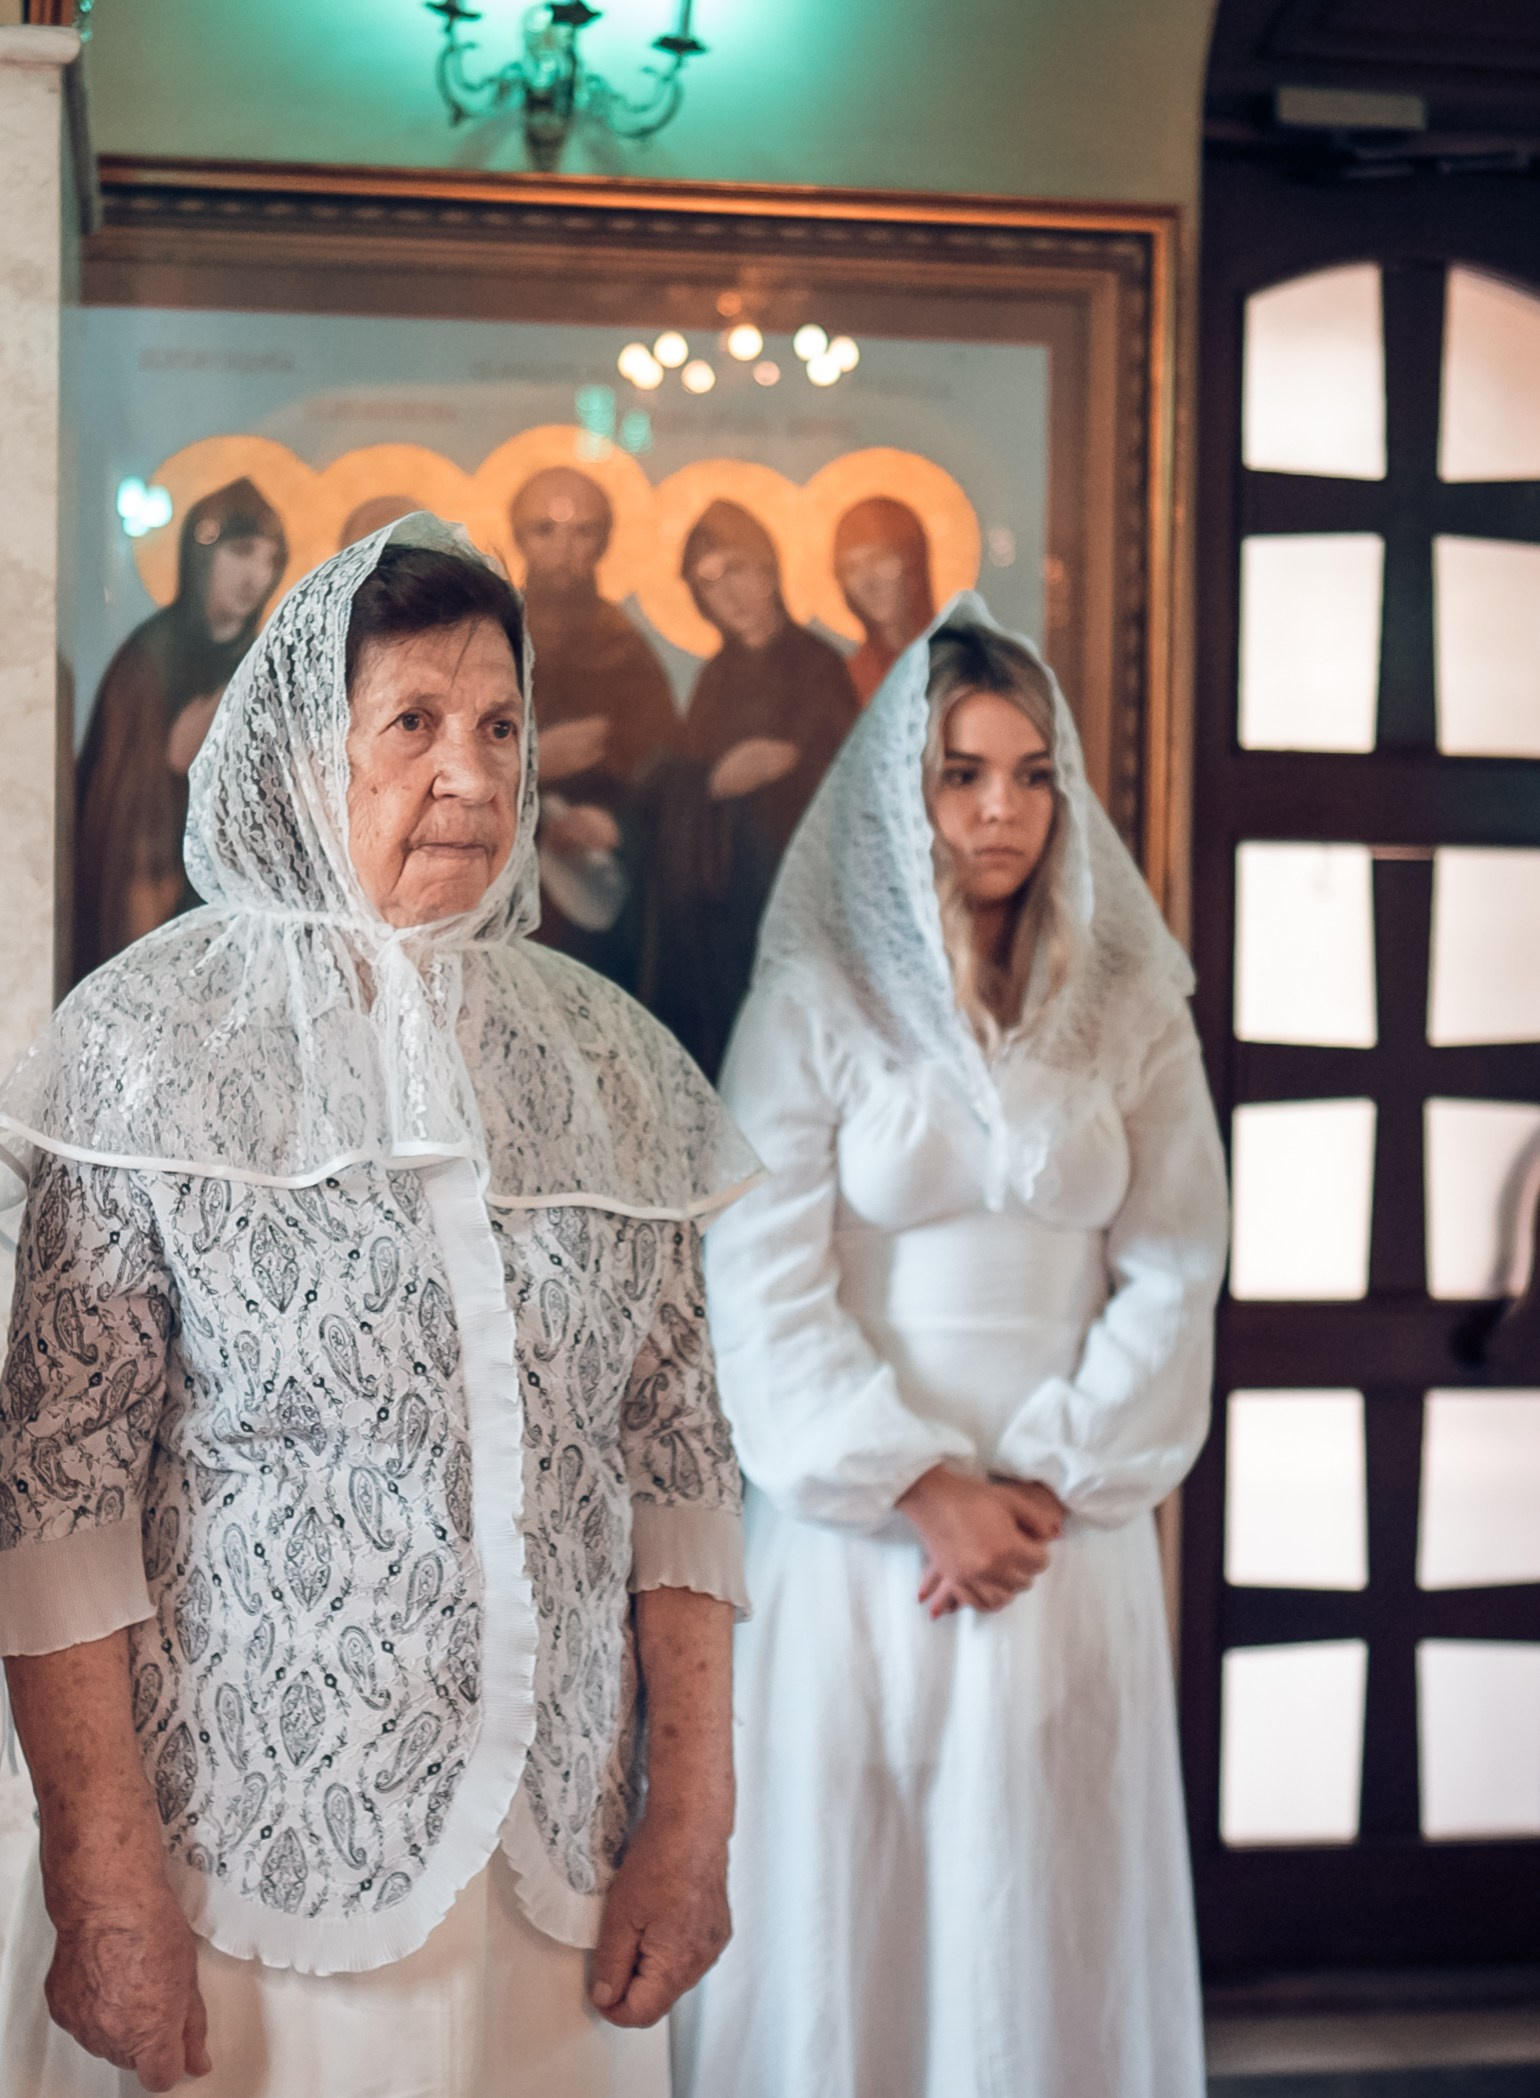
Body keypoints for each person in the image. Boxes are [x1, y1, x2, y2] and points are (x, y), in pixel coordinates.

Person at [0, 518, 764, 2098]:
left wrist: (691, 1815)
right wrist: (102, 1872)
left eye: (499, 728)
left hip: (550, 1856)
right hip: (242, 1861)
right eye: (412, 724)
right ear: (298, 750)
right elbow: (61, 1491)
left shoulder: (609, 1065)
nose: (469, 777)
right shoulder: (150, 1042)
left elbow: (676, 1466)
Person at [670, 596, 1226, 2098]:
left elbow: (1178, 1259)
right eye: (965, 773)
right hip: (863, 1544)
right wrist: (926, 1487)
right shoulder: (817, 1000)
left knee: (1047, 1900)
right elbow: (759, 1275)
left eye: (1033, 773)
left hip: (1066, 1539)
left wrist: (1040, 1483)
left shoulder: (1133, 1011)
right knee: (860, 1900)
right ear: (904, 795)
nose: (1003, 809)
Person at [640, 498, 861, 1080]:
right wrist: (712, 783)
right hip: (719, 909)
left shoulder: (819, 669)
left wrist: (787, 772)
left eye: (736, 569)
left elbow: (847, 786)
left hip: (794, 898)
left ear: (769, 569)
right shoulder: (715, 679)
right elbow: (689, 782)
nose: (727, 593)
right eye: (707, 582)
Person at [73, 478, 288, 978]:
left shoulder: (263, 663)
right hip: (150, 891)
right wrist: (172, 765)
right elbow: (119, 815)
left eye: (269, 559)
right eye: (241, 552)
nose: (255, 575)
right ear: (201, 557)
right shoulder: (147, 662)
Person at [508, 465, 680, 986]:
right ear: (519, 537)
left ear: (603, 542)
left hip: (597, 896)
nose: (564, 547)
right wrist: (534, 761)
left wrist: (619, 828)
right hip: (501, 882)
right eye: (545, 529)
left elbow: (666, 773)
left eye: (583, 531)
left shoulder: (626, 650)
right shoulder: (490, 635)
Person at [832, 495, 938, 704]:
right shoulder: (846, 681)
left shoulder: (959, 661)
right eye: (851, 569)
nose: (868, 582)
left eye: (879, 559)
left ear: (913, 562)